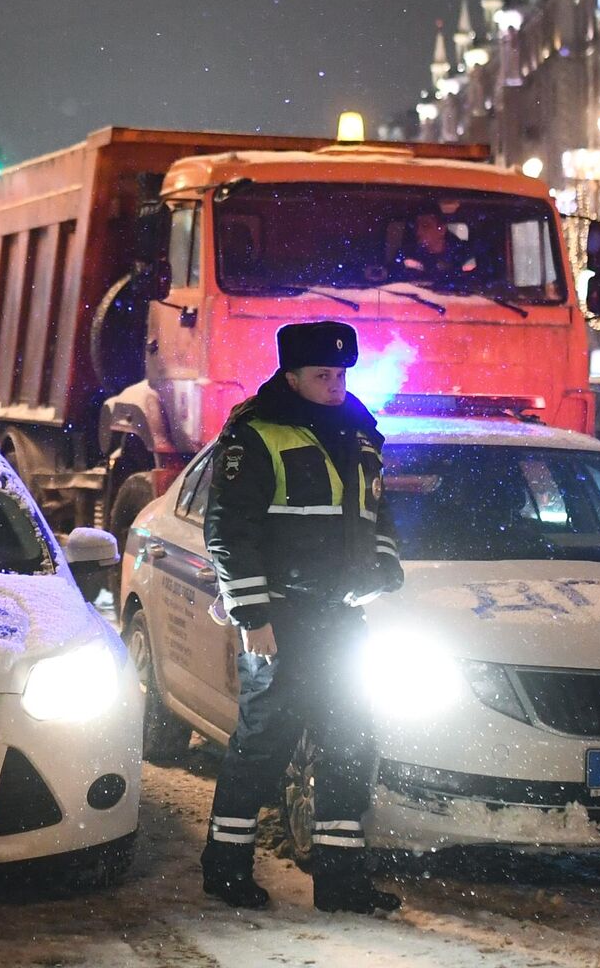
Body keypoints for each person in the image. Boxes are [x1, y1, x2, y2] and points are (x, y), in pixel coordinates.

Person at [200, 320, 404, 915]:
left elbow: (378, 514)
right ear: (291, 377)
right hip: (282, 620)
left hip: (341, 619)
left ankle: (341, 883)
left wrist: (383, 570)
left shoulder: (361, 436)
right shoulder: (256, 434)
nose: (336, 384)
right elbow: (229, 533)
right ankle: (226, 869)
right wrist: (253, 617)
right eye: (322, 375)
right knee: (264, 746)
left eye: (342, 374)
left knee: (349, 742)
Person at [397, 205, 477, 281]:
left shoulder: (462, 256)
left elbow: (474, 284)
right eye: (416, 226)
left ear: (442, 229)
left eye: (425, 226)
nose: (418, 232)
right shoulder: (407, 254)